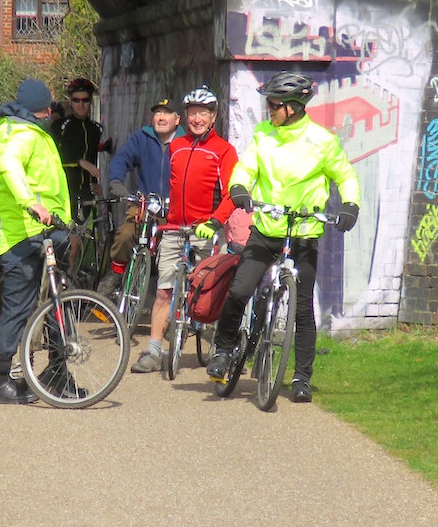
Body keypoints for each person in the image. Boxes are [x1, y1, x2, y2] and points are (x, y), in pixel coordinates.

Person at [205, 72, 360, 403]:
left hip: (303, 234)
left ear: (292, 108)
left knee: (303, 308)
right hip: (266, 230)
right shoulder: (263, 135)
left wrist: (349, 205)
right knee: (239, 291)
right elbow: (245, 168)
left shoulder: (322, 140)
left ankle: (301, 377)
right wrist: (240, 187)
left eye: (273, 105)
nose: (268, 110)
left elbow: (345, 175)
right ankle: (223, 349)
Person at [132, 87, 238, 373]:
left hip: (203, 230)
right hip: (174, 228)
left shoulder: (224, 151)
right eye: (192, 113)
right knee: (164, 290)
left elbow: (231, 194)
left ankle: (215, 341)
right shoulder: (176, 147)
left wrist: (215, 222)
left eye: (203, 113)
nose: (197, 119)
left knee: (204, 294)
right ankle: (154, 350)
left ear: (213, 117)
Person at [0, 78, 71, 405]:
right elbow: (7, 166)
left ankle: (58, 373)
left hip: (42, 230)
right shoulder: (22, 134)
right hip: (25, 232)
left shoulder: (8, 131)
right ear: (43, 110)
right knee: (19, 306)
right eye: (49, 109)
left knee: (57, 300)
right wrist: (32, 201)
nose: (51, 114)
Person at [100, 97, 183, 297]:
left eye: (167, 113)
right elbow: (121, 159)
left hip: (174, 209)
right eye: (157, 113)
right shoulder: (142, 138)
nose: (161, 118)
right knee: (126, 234)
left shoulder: (184, 142)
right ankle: (117, 273)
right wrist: (116, 181)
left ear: (177, 119)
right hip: (145, 204)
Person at [51, 77, 109, 222]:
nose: (81, 105)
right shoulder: (60, 126)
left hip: (86, 192)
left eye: (85, 100)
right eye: (76, 100)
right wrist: (79, 162)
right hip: (62, 189)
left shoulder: (96, 129)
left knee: (81, 234)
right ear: (70, 101)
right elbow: (52, 157)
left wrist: (95, 182)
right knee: (68, 239)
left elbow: (94, 157)